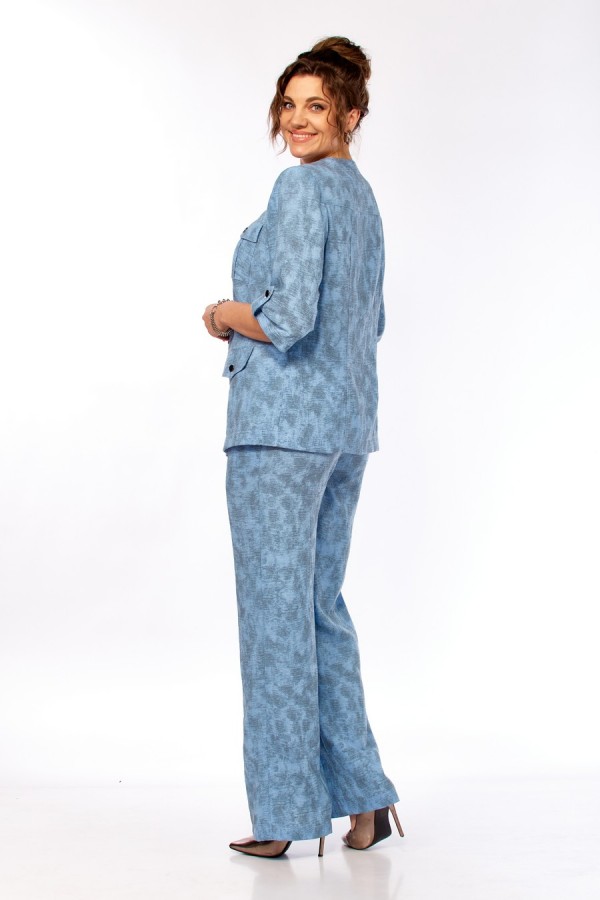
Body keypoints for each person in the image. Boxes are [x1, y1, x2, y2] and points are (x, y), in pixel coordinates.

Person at [202, 36, 404, 858]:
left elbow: (286, 320)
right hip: (345, 426)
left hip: (279, 432)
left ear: (351, 115)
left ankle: (285, 817)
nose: (297, 120)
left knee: (275, 622)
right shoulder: (364, 200)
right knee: (319, 611)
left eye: (316, 106)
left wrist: (224, 314)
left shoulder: (299, 188)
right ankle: (365, 800)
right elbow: (372, 322)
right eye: (288, 105)